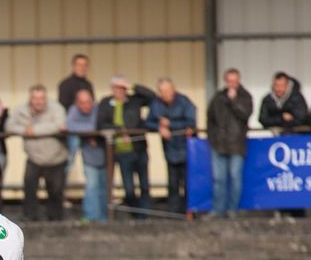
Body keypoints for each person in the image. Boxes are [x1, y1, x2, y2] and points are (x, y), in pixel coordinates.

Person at [5, 85, 67, 221]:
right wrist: (24, 130)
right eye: (35, 98)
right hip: (33, 158)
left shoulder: (56, 108)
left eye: (41, 98)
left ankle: (56, 220)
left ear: (46, 98)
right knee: (29, 188)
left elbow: (59, 125)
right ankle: (30, 217)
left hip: (55, 158)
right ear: (30, 98)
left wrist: (34, 130)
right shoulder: (22, 110)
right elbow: (9, 126)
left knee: (55, 191)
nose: (38, 101)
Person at [97, 76, 155, 214]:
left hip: (139, 148)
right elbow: (101, 123)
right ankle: (135, 213)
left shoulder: (134, 101)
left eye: (123, 88)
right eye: (117, 87)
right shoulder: (106, 103)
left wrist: (133, 85)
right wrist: (120, 131)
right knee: (129, 188)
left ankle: (144, 216)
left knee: (145, 185)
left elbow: (151, 96)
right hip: (121, 152)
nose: (120, 91)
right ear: (112, 89)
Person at [145, 78, 197, 214]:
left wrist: (170, 125)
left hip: (186, 150)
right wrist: (158, 128)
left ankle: (189, 211)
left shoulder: (184, 102)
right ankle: (174, 213)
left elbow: (191, 122)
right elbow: (147, 122)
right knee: (173, 184)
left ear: (173, 89)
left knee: (187, 182)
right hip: (169, 150)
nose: (166, 94)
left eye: (168, 90)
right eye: (162, 91)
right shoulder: (156, 104)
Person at [206, 68, 253, 216]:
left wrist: (233, 101)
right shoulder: (218, 97)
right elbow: (210, 118)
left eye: (235, 81)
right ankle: (217, 210)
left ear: (239, 80)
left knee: (235, 178)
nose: (232, 84)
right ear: (225, 81)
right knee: (219, 179)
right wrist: (212, 137)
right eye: (229, 81)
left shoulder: (245, 97)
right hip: (218, 144)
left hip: (237, 145)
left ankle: (232, 210)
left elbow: (245, 114)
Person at [66, 89, 107, 223]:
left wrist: (92, 132)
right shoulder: (74, 111)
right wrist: (91, 132)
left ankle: (103, 218)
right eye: (81, 103)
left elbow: (100, 125)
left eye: (88, 102)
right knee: (92, 186)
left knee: (104, 187)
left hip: (107, 155)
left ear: (93, 101)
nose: (85, 106)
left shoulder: (100, 109)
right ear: (77, 103)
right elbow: (69, 125)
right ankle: (90, 217)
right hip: (89, 156)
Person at [57, 54, 93, 171]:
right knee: (69, 161)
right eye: (79, 65)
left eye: (84, 65)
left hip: (87, 129)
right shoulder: (65, 84)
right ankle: (61, 188)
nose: (82, 68)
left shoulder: (88, 85)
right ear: (73, 67)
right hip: (72, 130)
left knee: (90, 162)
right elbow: (63, 108)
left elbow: (92, 107)